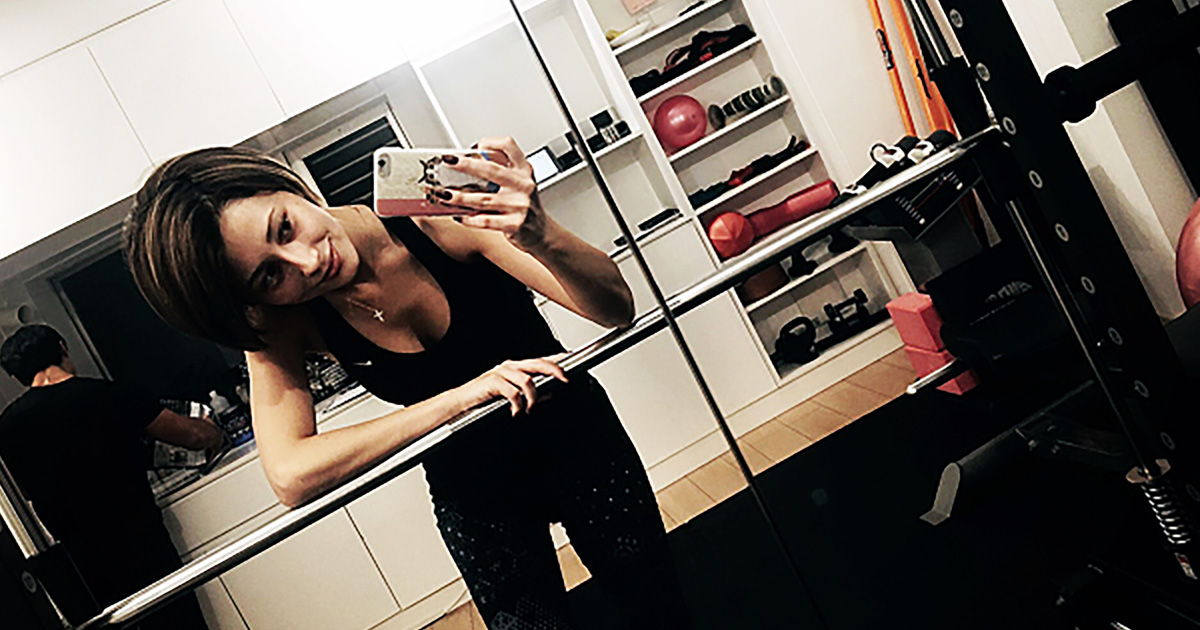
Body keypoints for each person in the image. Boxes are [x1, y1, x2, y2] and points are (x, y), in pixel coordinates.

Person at [122, 138, 690, 629]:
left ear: (286, 185)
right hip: (476, 492)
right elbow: (292, 474)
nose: (305, 262)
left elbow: (615, 308)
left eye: (285, 227)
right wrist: (461, 398)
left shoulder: (428, 209)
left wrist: (539, 233)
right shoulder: (281, 321)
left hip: (580, 444)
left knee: (657, 611)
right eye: (270, 275)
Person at [0, 324, 222, 630]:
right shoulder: (104, 394)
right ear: (62, 346)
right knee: (177, 622)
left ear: (17, 377)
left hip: (80, 562)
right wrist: (212, 429)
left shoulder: (8, 428)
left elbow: (26, 492)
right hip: (140, 539)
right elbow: (193, 436)